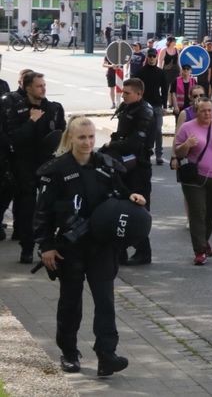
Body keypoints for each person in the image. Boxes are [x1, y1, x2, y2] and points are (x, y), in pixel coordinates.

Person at [33, 117, 146, 376]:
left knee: (105, 302)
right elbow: (43, 214)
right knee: (70, 303)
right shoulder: (56, 170)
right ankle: (70, 353)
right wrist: (46, 246)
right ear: (71, 138)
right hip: (69, 248)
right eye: (82, 137)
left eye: (91, 137)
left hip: (102, 246)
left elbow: (120, 193)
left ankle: (107, 355)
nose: (87, 142)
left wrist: (132, 198)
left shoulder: (106, 166)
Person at [3, 71, 67, 263]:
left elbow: (61, 134)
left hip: (48, 163)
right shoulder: (16, 108)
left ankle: (51, 244)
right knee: (27, 208)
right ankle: (27, 248)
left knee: (52, 206)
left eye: (44, 85)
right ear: (28, 87)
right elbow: (15, 138)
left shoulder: (54, 108)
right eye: (39, 86)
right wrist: (32, 121)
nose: (43, 89)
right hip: (24, 165)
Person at [172, 98, 212, 265]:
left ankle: (203, 240)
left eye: (210, 110)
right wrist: (187, 144)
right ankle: (200, 251)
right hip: (194, 177)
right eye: (203, 111)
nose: (207, 113)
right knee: (197, 212)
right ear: (196, 112)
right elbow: (177, 152)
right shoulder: (187, 128)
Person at [103, 78, 158, 265]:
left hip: (138, 167)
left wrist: (112, 145)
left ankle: (143, 251)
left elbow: (135, 143)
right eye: (123, 92)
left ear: (138, 94)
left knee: (138, 209)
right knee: (123, 206)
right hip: (124, 166)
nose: (123, 95)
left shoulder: (145, 112)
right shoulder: (129, 107)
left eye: (127, 93)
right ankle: (121, 251)